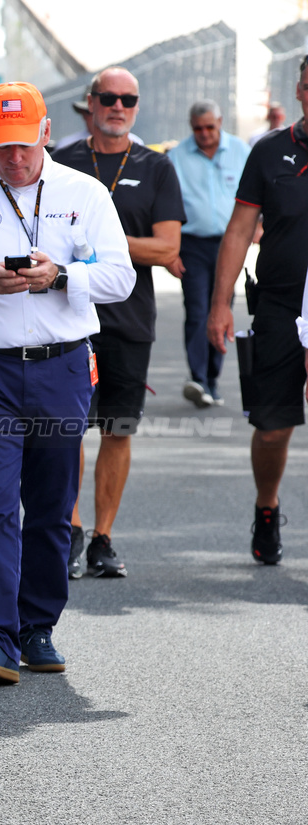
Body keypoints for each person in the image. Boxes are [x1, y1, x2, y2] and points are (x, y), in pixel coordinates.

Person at [0, 81, 134, 685]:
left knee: (49, 506)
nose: (14, 158)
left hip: (61, 366)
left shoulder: (83, 193)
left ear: (44, 133)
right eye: (2, 146)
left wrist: (62, 276)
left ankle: (37, 626)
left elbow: (121, 278)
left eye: (24, 145)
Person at [52, 67, 185, 580]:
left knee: (118, 428)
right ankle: (70, 530)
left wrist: (103, 245)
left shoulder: (156, 166)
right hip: (67, 318)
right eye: (108, 97)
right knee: (66, 431)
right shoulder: (62, 162)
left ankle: (103, 537)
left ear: (136, 106)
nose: (118, 106)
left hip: (129, 320)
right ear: (91, 103)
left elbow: (167, 247)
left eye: (127, 99)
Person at [208, 56, 308, 566]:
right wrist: (220, 305)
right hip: (281, 308)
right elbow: (240, 230)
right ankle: (266, 507)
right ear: (299, 90)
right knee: (272, 427)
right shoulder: (271, 151)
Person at [167, 99, 249, 407]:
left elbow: (259, 193)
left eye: (209, 127)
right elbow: (167, 208)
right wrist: (171, 250)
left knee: (223, 308)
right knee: (198, 310)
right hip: (193, 245)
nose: (204, 134)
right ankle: (198, 378)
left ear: (220, 122)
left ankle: (213, 378)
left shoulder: (241, 152)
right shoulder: (176, 157)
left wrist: (260, 226)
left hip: (231, 244)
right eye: (198, 129)